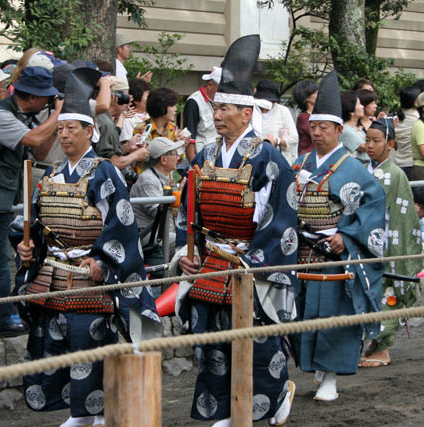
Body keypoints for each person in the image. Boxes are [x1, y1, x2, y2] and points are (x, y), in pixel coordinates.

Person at [13, 68, 161, 426]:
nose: (63, 135)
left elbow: (121, 224)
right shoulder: (48, 175)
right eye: (60, 128)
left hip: (91, 273)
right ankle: (77, 412)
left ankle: (90, 413)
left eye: (71, 128)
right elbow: (34, 226)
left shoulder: (104, 172)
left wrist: (103, 260)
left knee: (87, 341)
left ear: (89, 132)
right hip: (54, 273)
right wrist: (26, 248)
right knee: (55, 341)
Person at [174, 35, 298, 426]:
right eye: (215, 108)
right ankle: (224, 409)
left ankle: (270, 398)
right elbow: (188, 211)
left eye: (225, 108)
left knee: (254, 342)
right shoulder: (206, 156)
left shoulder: (268, 157)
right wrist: (186, 254)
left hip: (249, 264)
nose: (217, 115)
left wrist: (251, 260)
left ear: (247, 114)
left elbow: (281, 219)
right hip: (212, 262)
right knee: (213, 342)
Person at [293, 70, 386, 401]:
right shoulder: (300, 162)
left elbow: (374, 206)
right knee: (304, 311)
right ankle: (316, 369)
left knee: (334, 313)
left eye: (324, 128)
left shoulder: (354, 168)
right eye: (313, 127)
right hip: (304, 251)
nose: (317, 133)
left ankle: (332, 374)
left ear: (338, 130)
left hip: (336, 254)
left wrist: (347, 236)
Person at [0, 67, 64, 341]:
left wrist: (53, 121)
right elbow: (33, 139)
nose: (49, 101)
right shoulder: (0, 115)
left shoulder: (23, 115)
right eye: (47, 97)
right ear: (32, 96)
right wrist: (56, 115)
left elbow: (40, 149)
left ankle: (0, 319)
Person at [359, 117, 422, 368]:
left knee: (387, 293)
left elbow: (402, 216)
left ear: (391, 143)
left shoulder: (394, 174)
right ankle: (376, 343)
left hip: (387, 242)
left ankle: (383, 348)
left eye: (376, 140)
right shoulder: (366, 170)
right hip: (366, 242)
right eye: (367, 140)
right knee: (370, 295)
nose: (370, 145)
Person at [130, 136, 183, 277]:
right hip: (146, 234)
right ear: (163, 159)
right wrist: (180, 199)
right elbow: (157, 212)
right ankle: (169, 284)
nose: (178, 157)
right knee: (186, 245)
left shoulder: (162, 177)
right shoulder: (148, 179)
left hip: (157, 232)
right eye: (174, 154)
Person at [254, 79, 299, 165]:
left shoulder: (283, 111)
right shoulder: (251, 111)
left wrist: (277, 141)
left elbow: (294, 138)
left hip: (276, 159)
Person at [184, 66, 221, 162]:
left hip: (217, 156)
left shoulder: (220, 101)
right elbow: (189, 137)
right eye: (220, 89)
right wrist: (193, 164)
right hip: (201, 158)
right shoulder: (194, 102)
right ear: (210, 84)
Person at [394, 86, 421, 179]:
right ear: (415, 102)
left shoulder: (397, 118)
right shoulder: (417, 119)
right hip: (412, 164)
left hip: (398, 163)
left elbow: (396, 145)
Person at [119, 77, 151, 142]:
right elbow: (126, 144)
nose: (151, 98)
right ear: (136, 100)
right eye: (147, 95)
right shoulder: (128, 121)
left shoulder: (151, 116)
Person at [293, 79, 318, 156]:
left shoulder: (315, 115)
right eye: (316, 93)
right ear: (307, 98)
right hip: (307, 159)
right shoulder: (303, 118)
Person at [339, 90, 366, 158]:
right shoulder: (345, 130)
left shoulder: (356, 128)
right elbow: (365, 147)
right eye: (359, 104)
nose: (362, 107)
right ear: (351, 111)